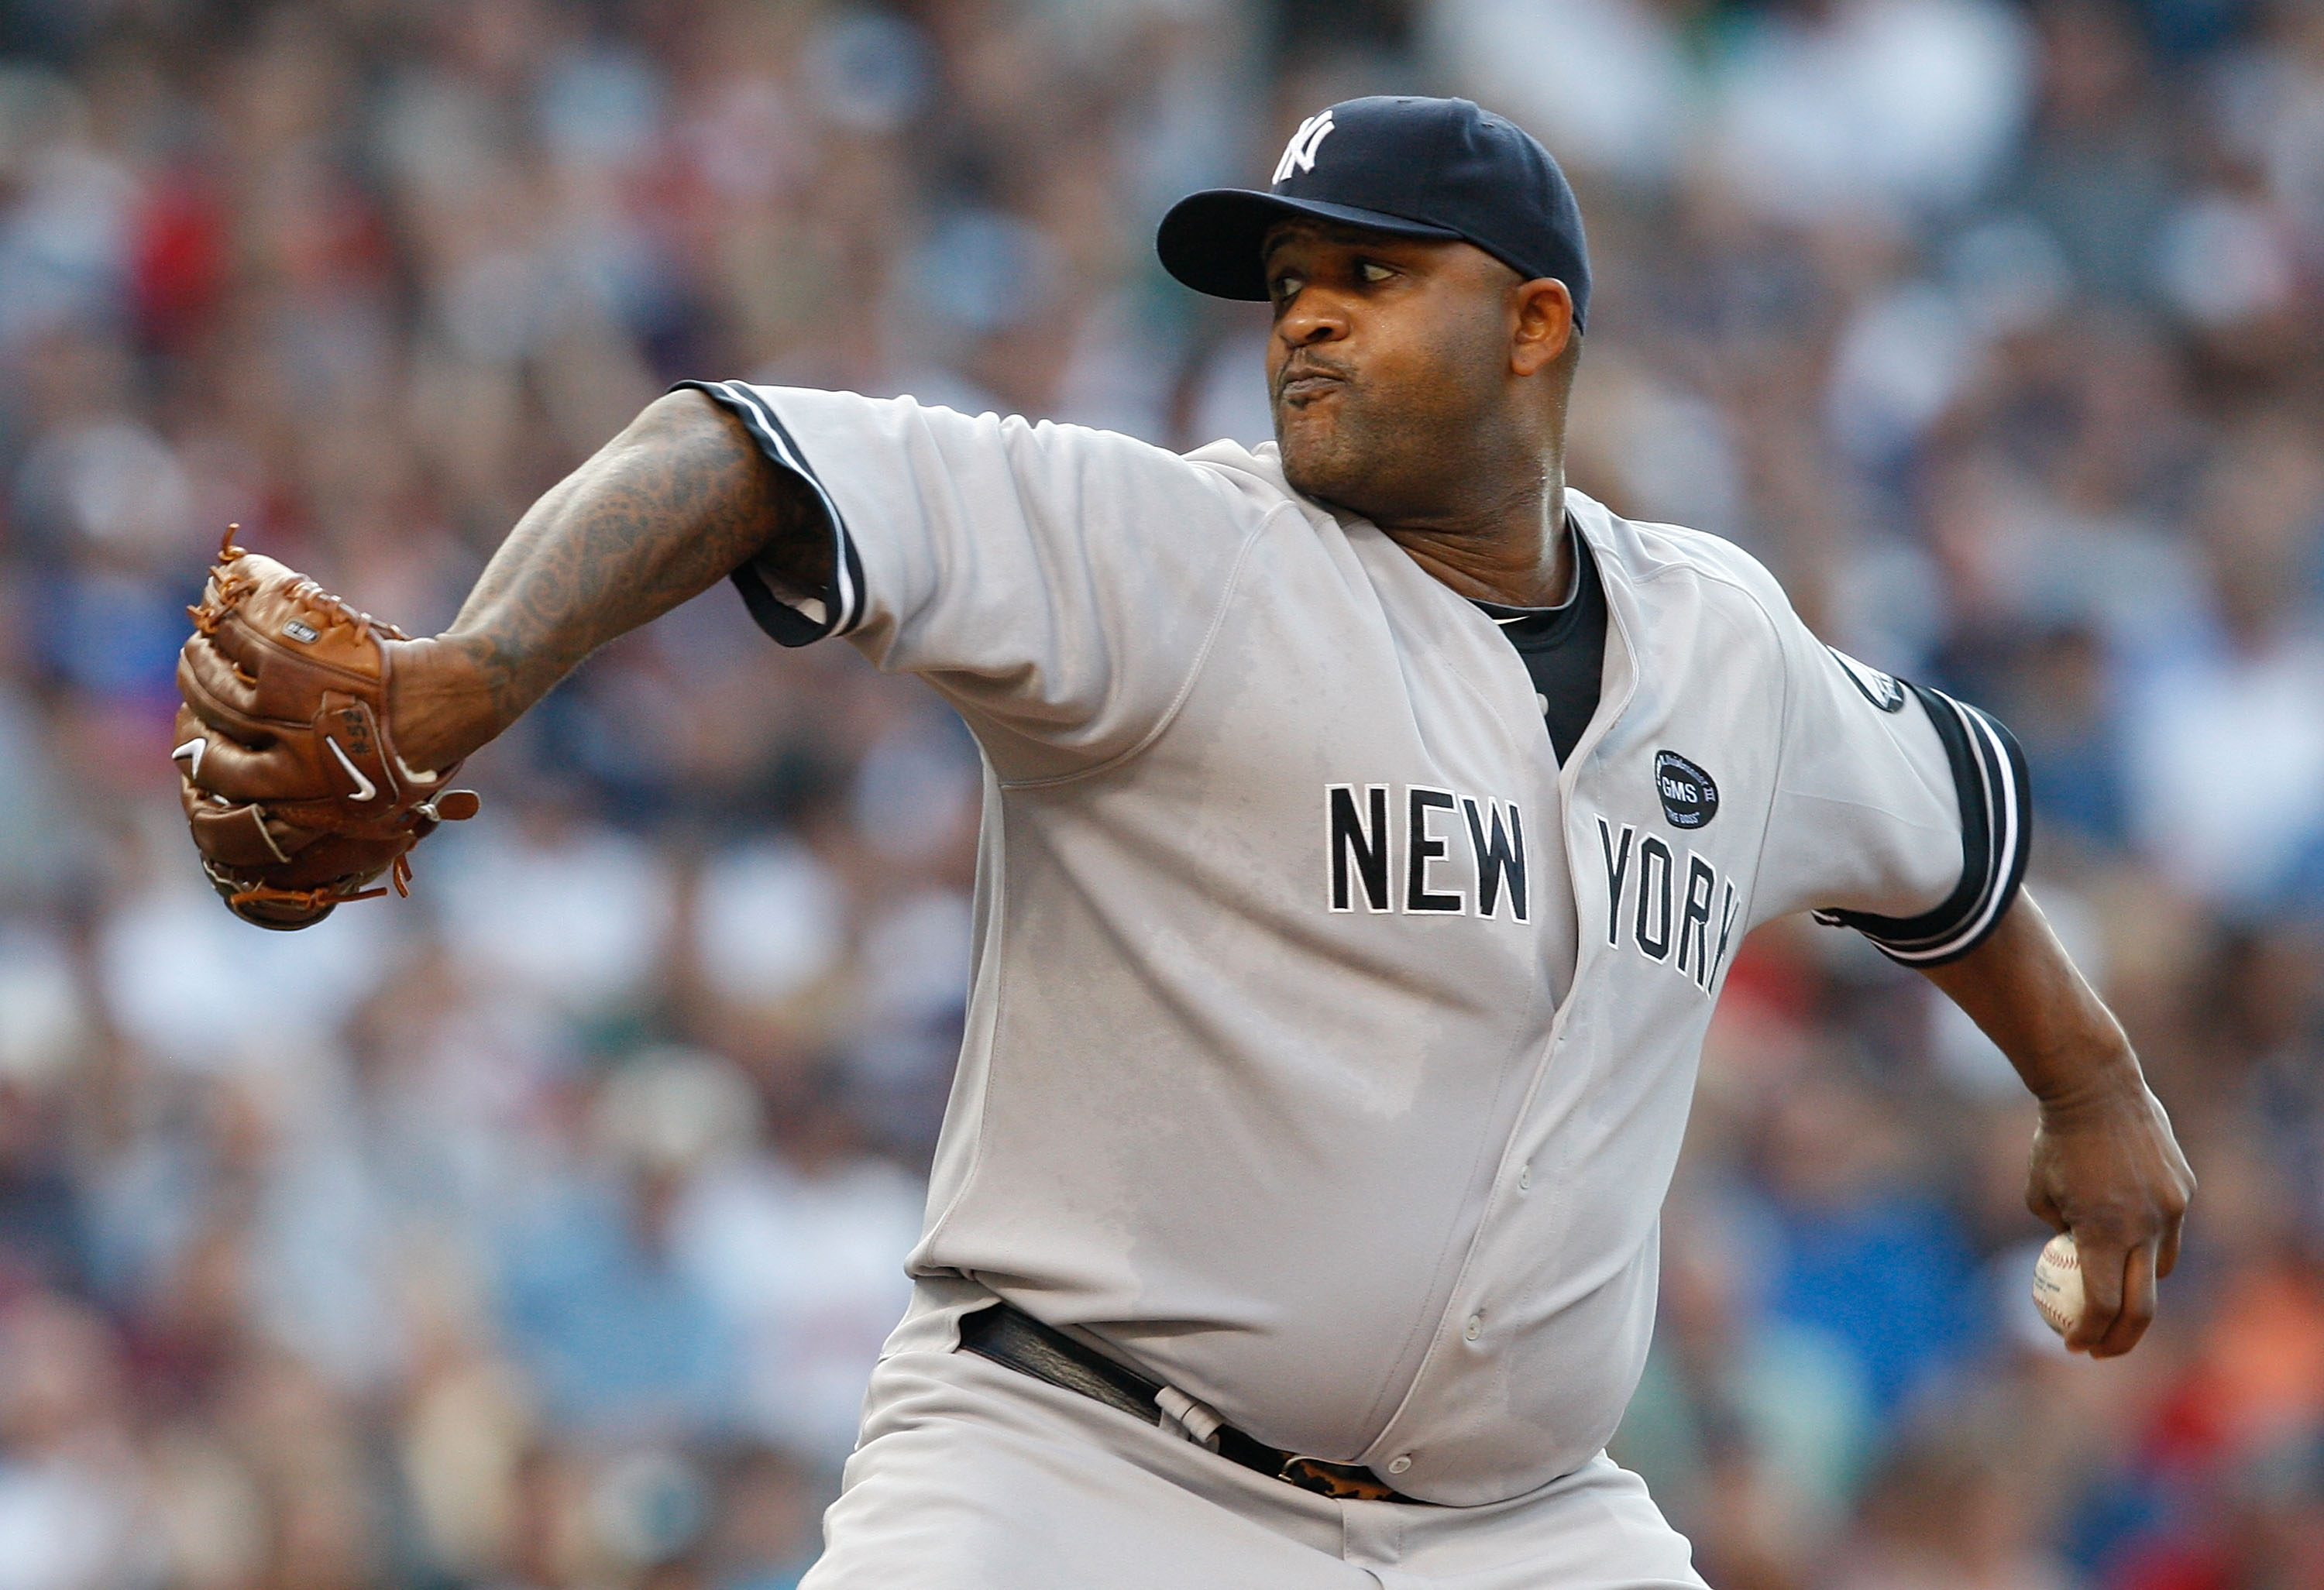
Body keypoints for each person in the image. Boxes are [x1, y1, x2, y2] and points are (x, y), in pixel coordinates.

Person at [382, 98, 2192, 1588]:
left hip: (1520, 1529)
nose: (1306, 316)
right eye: (1289, 285)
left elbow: (1949, 842)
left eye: (1372, 274)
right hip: (1077, 1473)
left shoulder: (1728, 653)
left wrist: (2096, 1085)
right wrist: (482, 663)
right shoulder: (1176, 556)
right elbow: (745, 449)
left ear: (1536, 324)